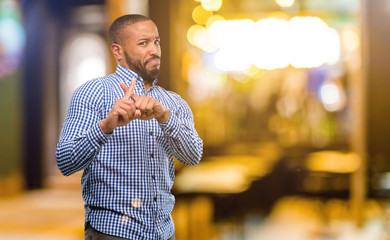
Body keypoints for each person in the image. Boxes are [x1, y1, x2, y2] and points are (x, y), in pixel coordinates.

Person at [56, 14, 203, 240]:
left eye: (156, 41)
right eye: (143, 43)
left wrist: (164, 117)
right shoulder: (92, 93)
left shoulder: (173, 103)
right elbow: (65, 162)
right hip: (113, 232)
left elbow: (193, 156)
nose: (154, 50)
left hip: (164, 233)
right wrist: (104, 127)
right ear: (118, 51)